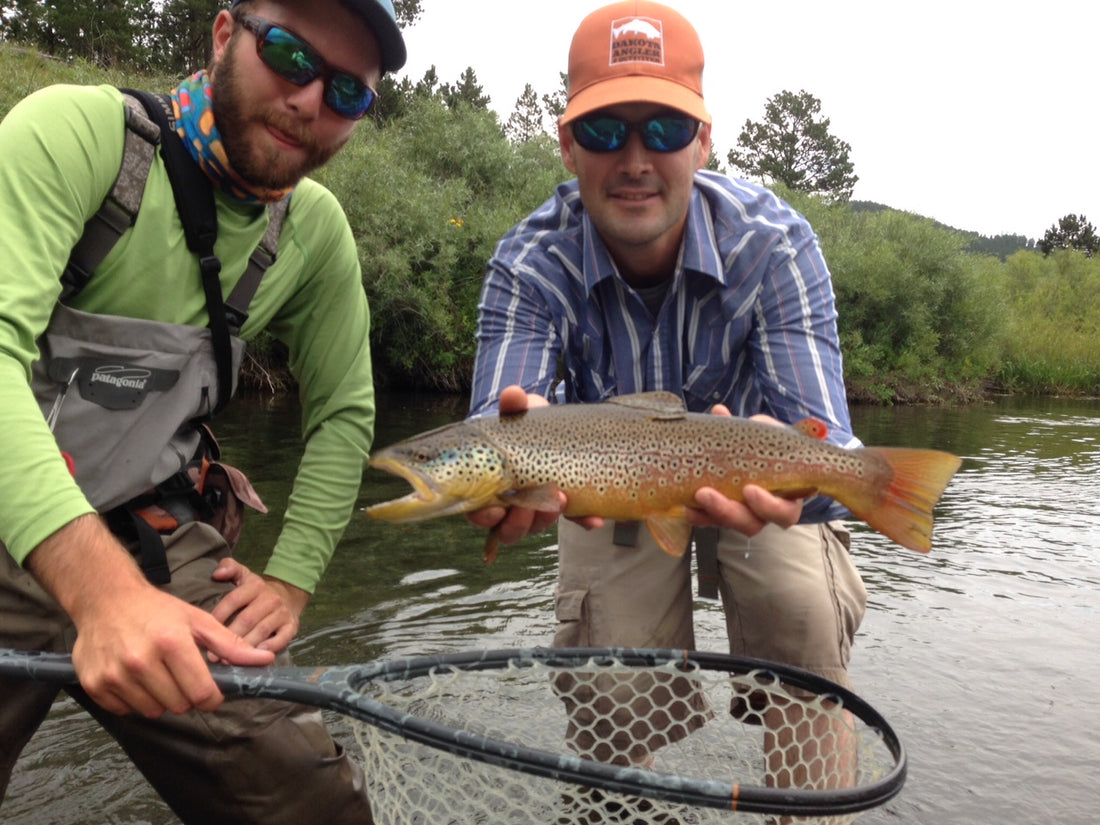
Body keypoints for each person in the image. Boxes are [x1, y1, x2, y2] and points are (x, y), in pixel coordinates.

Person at [0, 1, 404, 822]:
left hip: (147, 528)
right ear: (225, 36)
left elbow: (343, 413)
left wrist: (289, 582)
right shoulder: (76, 135)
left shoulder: (314, 235)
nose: (308, 99)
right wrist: (103, 595)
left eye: (346, 92)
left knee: (311, 800)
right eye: (289, 54)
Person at [467, 0, 867, 792]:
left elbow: (833, 446)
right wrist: (509, 470)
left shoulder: (775, 243)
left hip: (752, 470)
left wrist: (808, 481)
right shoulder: (529, 262)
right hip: (608, 483)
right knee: (611, 683)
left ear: (704, 140)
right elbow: (497, 427)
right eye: (605, 131)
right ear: (568, 144)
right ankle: (633, 807)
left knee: (804, 619)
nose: (636, 159)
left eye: (665, 129)